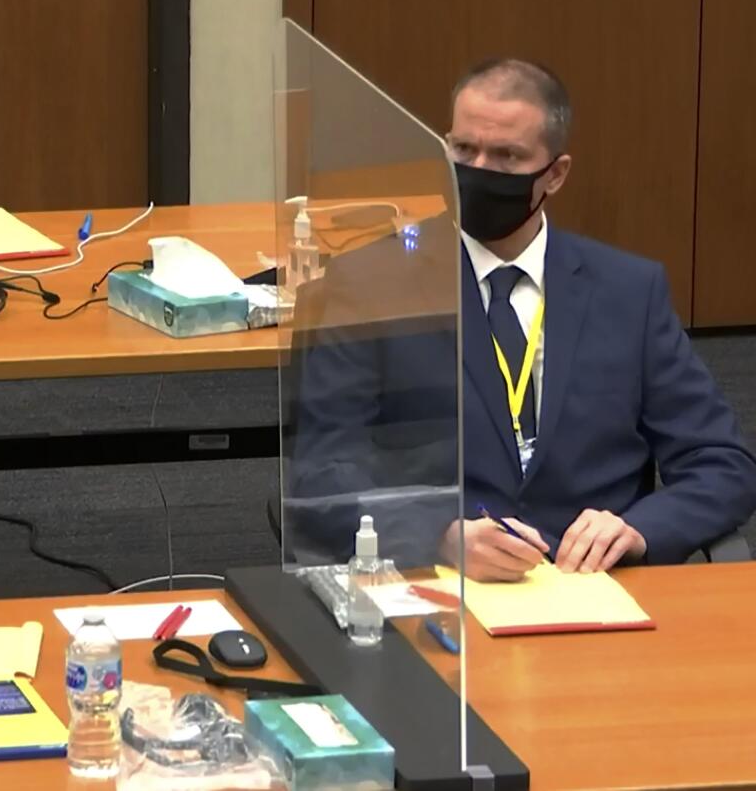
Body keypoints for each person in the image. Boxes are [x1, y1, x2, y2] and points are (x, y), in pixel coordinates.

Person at [290, 58, 756, 581]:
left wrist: (640, 529)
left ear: (554, 174)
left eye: (507, 157)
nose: (479, 169)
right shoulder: (371, 284)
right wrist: (438, 534)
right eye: (464, 150)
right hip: (444, 593)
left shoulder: (629, 292)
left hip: (595, 589)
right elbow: (320, 473)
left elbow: (722, 463)